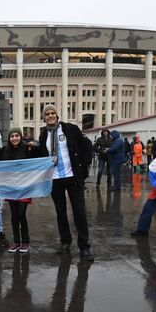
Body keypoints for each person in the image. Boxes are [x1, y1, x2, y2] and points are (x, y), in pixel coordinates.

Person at [37, 104, 94, 260]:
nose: (50, 116)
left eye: (53, 113)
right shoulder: (43, 135)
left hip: (73, 177)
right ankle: (65, 242)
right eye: (47, 114)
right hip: (55, 178)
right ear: (44, 117)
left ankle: (84, 247)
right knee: (60, 212)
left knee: (79, 212)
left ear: (57, 115)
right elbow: (41, 155)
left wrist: (83, 168)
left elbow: (87, 146)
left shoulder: (70, 129)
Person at [2, 127, 38, 253]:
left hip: (24, 187)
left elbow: (39, 156)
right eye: (12, 136)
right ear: (9, 138)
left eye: (17, 135)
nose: (14, 138)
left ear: (20, 137)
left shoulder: (27, 149)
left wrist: (35, 147)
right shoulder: (5, 150)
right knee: (14, 215)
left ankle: (25, 241)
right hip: (11, 186)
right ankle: (16, 241)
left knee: (21, 214)